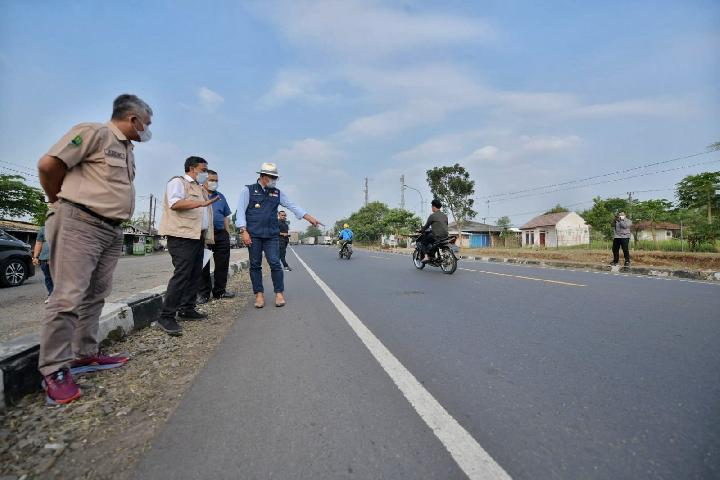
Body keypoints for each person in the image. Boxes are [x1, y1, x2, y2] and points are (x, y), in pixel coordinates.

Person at [36, 93, 152, 404]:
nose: (147, 130)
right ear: (133, 119)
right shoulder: (94, 133)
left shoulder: (126, 150)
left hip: (111, 230)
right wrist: (56, 200)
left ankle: (84, 355)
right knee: (67, 296)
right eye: (146, 124)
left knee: (95, 295)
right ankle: (54, 370)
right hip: (80, 222)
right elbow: (49, 165)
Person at [236, 163, 321, 308]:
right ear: (262, 176)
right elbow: (240, 211)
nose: (274, 180)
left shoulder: (276, 193)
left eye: (276, 177)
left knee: (275, 263)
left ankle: (279, 293)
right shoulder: (248, 190)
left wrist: (308, 217)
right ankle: (259, 295)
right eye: (272, 177)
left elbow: (291, 205)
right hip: (254, 235)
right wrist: (243, 231)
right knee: (255, 265)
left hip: (271, 235)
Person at [157, 156, 218, 336]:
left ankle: (187, 309)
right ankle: (166, 316)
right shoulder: (178, 182)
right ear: (192, 168)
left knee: (194, 274)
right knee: (182, 275)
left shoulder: (199, 188)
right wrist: (201, 203)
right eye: (203, 169)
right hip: (181, 236)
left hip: (197, 237)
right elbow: (174, 203)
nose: (205, 173)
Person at [197, 170, 235, 303]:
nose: (214, 183)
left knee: (222, 264)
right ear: (204, 180)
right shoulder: (198, 194)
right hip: (204, 234)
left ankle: (220, 291)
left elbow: (226, 216)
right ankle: (203, 294)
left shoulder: (221, 196)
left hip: (221, 234)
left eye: (216, 180)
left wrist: (227, 232)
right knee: (203, 265)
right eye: (212, 180)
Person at [32, 221, 53, 303]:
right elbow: (38, 243)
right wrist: (35, 257)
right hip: (44, 258)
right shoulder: (43, 229)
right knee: (48, 277)